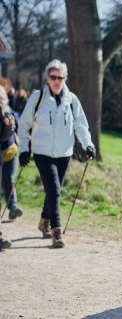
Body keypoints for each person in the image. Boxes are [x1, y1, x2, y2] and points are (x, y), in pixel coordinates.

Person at [18, 59, 96, 248]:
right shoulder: (38, 98)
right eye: (53, 77)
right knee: (53, 189)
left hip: (64, 152)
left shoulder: (72, 100)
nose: (56, 81)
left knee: (55, 190)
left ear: (65, 79)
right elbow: (24, 125)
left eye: (60, 77)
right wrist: (24, 150)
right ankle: (56, 231)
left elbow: (81, 125)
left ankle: (44, 221)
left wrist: (88, 145)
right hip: (42, 152)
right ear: (47, 78)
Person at [0, 84, 17, 250]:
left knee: (8, 180)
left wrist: (8, 125)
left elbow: (5, 135)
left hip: (6, 152)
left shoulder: (5, 111)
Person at [1, 108, 23, 220]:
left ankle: (13, 207)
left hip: (11, 152)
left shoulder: (10, 113)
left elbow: (20, 128)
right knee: (3, 181)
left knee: (9, 179)